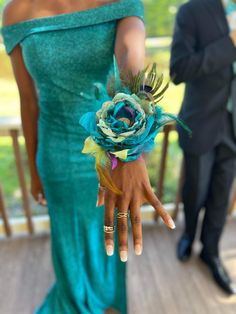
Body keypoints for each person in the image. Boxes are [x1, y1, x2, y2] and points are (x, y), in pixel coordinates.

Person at [1, 0, 175, 313]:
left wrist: (131, 149)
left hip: (112, 156)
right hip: (57, 155)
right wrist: (34, 171)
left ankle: (107, 301)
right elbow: (29, 102)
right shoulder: (16, 12)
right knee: (68, 241)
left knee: (109, 236)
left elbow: (130, 59)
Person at [170, 0, 236, 295]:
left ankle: (211, 252)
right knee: (194, 191)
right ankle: (188, 236)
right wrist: (230, 44)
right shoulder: (191, 11)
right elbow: (178, 69)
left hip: (233, 128)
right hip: (201, 122)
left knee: (221, 196)